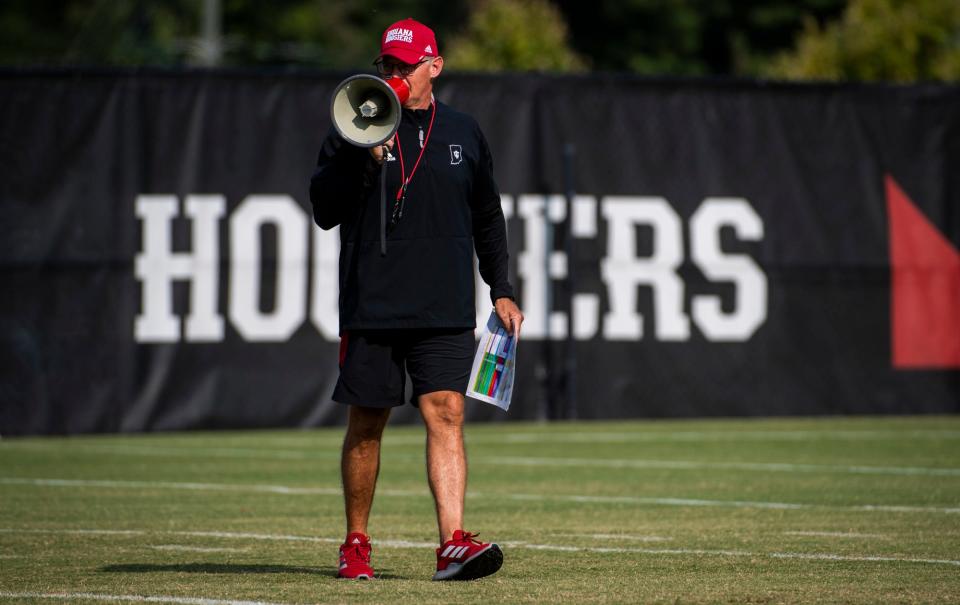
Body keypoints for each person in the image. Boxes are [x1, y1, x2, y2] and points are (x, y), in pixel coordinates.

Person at [309, 17, 524, 581]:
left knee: (447, 412)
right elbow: (324, 209)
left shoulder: (464, 131)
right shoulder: (356, 123)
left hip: (443, 302)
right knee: (368, 423)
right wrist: (360, 153)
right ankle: (356, 541)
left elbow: (487, 215)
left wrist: (500, 287)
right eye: (387, 65)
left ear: (435, 66)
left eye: (405, 66)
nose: (394, 75)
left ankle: (452, 543)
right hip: (373, 302)